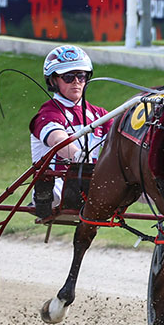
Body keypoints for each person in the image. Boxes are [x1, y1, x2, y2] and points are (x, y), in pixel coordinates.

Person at [30, 45, 110, 218]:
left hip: (92, 185)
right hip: (56, 185)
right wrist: (76, 155)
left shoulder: (100, 114)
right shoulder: (48, 113)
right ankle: (42, 196)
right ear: (53, 81)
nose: (76, 81)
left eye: (81, 76)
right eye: (68, 77)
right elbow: (57, 139)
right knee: (58, 191)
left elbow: (122, 139)